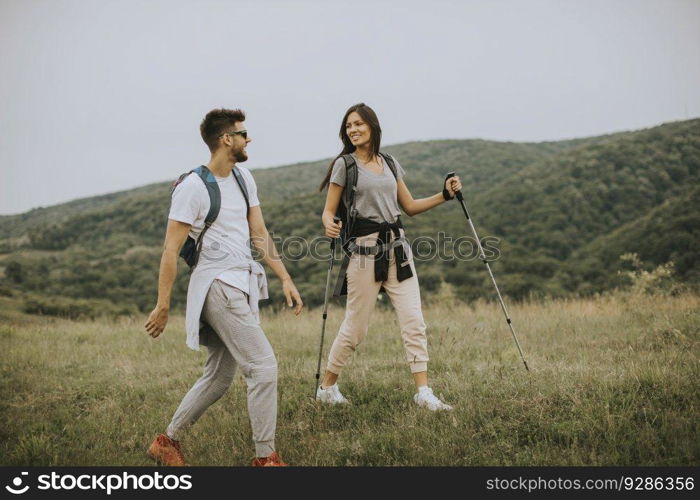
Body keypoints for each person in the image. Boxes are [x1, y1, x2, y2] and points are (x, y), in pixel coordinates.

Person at [144, 108, 304, 467]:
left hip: (240, 282)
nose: (249, 139)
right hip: (218, 285)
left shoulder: (244, 178)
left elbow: (259, 234)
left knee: (219, 375)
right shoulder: (193, 188)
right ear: (226, 139)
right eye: (244, 133)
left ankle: (166, 442)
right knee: (263, 368)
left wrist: (285, 278)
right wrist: (163, 304)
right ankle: (266, 459)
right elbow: (170, 248)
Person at [317, 103, 461, 411]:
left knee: (414, 321)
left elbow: (408, 206)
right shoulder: (345, 164)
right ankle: (327, 387)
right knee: (356, 327)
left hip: (398, 249)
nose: (352, 130)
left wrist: (445, 196)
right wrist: (329, 223)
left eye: (358, 124)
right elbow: (329, 211)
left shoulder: (391, 163)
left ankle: (423, 392)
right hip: (363, 254)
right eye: (348, 126)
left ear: (372, 126)